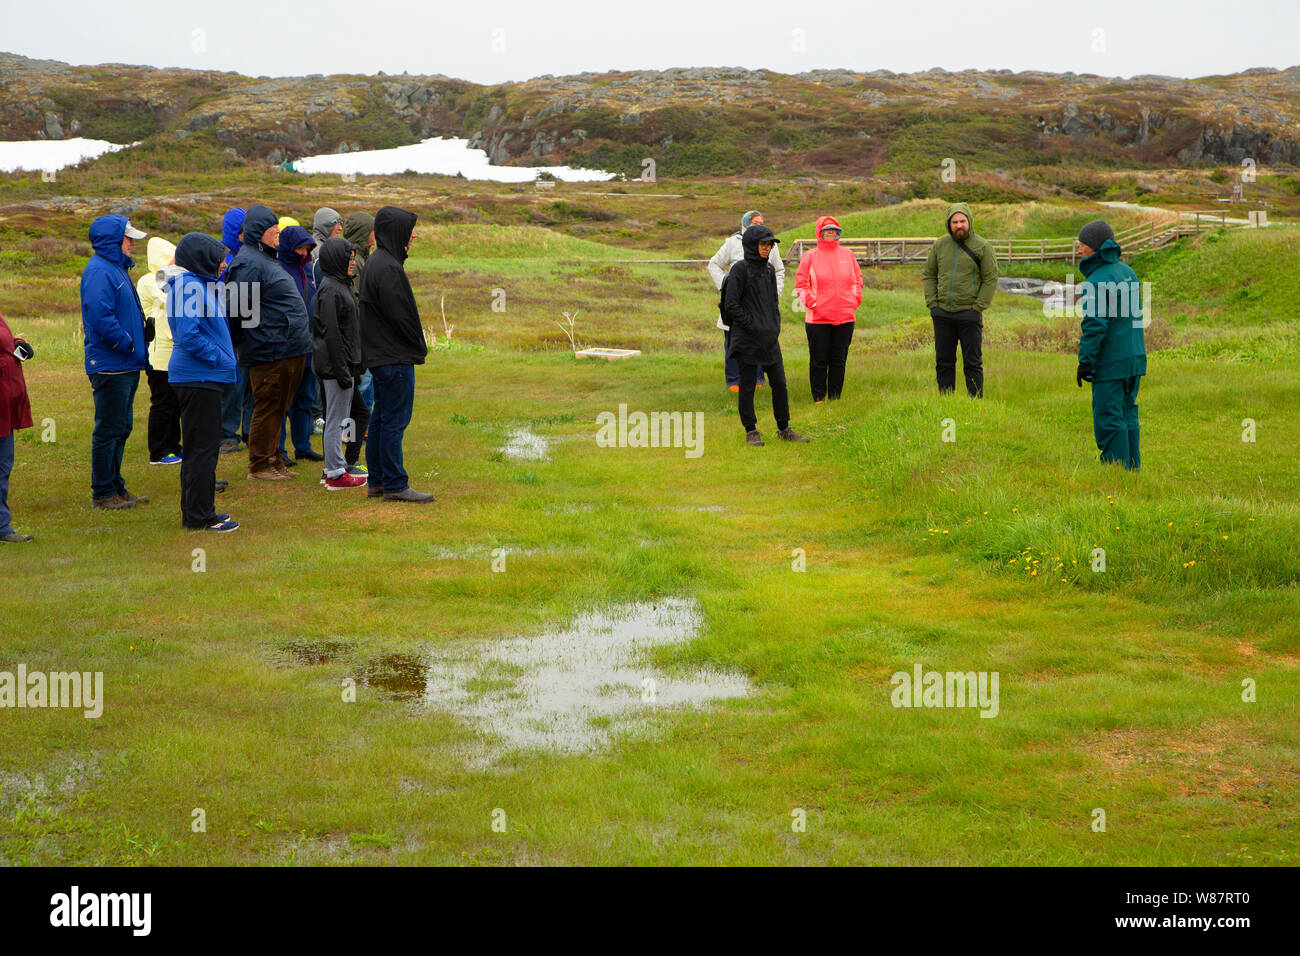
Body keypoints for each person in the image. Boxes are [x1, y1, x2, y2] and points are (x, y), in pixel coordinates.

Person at [224, 204, 311, 481]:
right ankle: (260, 465)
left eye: (277, 230)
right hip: (268, 350)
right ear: (258, 233)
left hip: (287, 348)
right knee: (267, 406)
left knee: (279, 407)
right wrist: (256, 342)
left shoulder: (266, 260)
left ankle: (274, 459)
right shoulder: (248, 263)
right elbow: (237, 312)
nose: (277, 235)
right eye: (272, 231)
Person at [166, 233, 240, 531]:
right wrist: (218, 359)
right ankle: (200, 517)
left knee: (201, 449)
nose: (224, 264)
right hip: (198, 377)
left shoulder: (199, 285)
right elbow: (188, 335)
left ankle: (198, 512)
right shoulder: (189, 286)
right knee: (202, 451)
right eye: (218, 258)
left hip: (202, 376)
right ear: (201, 258)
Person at [360, 205, 434, 502]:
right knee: (394, 420)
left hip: (383, 356)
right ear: (395, 232)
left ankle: (378, 481)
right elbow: (400, 317)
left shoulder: (380, 262)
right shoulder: (387, 267)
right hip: (393, 357)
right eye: (409, 230)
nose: (413, 235)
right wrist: (417, 346)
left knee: (381, 418)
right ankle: (394, 484)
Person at [80, 214, 151, 509]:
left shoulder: (114, 268)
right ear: (113, 240)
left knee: (120, 427)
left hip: (124, 362)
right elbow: (100, 317)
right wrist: (128, 342)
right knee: (109, 429)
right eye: (127, 238)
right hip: (112, 363)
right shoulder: (100, 271)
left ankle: (115, 487)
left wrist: (140, 334)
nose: (132, 243)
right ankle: (103, 493)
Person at [723, 224, 808, 447]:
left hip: (769, 338)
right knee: (748, 385)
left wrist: (774, 325)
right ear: (752, 245)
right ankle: (751, 430)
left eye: (769, 244)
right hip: (747, 338)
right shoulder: (739, 270)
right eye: (763, 244)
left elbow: (772, 302)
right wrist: (751, 324)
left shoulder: (769, 270)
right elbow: (731, 305)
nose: (767, 248)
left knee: (779, 383)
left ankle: (784, 428)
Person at [1075, 220, 1146, 470]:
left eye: (1082, 245)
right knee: (1128, 414)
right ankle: (1132, 471)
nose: (1079, 250)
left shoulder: (1096, 280)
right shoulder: (1129, 273)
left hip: (1111, 362)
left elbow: (1095, 325)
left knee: (1109, 417)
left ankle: (1116, 473)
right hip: (1135, 357)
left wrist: (1085, 362)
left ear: (1095, 247)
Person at [922, 202, 998, 397]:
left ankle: (975, 401)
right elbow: (929, 274)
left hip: (969, 314)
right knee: (944, 361)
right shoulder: (940, 245)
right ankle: (946, 399)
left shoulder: (982, 246)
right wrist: (933, 304)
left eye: (962, 221)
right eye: (954, 222)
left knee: (972, 362)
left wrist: (978, 308)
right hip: (942, 314)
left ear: (969, 221)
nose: (959, 225)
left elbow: (990, 278)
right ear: (949, 224)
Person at [313, 237, 368, 490]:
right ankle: (335, 472)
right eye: (348, 258)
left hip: (344, 365)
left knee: (346, 416)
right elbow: (331, 334)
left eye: (353, 257)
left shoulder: (340, 285)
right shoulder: (331, 289)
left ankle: (339, 466)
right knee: (335, 419)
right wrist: (342, 369)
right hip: (336, 367)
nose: (352, 262)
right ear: (335, 259)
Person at [709, 210, 783, 391]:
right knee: (735, 342)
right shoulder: (732, 243)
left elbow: (778, 270)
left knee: (760, 341)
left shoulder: (770, 244)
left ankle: (758, 379)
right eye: (754, 222)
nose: (759, 225)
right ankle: (734, 381)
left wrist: (774, 294)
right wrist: (725, 287)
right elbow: (714, 264)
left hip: (761, 305)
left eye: (761, 222)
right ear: (745, 224)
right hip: (737, 304)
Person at [795, 216, 863, 404]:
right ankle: (819, 398)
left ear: (838, 233)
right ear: (820, 232)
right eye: (827, 230)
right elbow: (801, 285)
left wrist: (854, 301)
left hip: (845, 318)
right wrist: (814, 304)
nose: (830, 233)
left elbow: (857, 279)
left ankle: (835, 398)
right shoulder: (809, 256)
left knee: (839, 360)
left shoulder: (848, 255)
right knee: (819, 360)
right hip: (818, 320)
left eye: (834, 230)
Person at [276, 225, 324, 465]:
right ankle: (280, 451)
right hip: (287, 347)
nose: (304, 253)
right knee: (282, 402)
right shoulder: (278, 270)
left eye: (307, 248)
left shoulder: (307, 268)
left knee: (304, 398)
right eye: (300, 248)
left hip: (308, 345)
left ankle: (303, 446)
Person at [137, 236, 184, 465]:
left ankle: (173, 446)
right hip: (157, 354)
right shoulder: (149, 280)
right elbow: (168, 298)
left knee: (175, 403)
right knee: (162, 403)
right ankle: (158, 451)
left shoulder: (171, 279)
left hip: (173, 351)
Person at [0, 310, 34, 542]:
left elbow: (5, 341)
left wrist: (18, 344)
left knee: (3, 465)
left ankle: (2, 527)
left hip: (5, 402)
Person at [218, 208, 249, 454]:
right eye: (241, 231)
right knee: (232, 385)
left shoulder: (247, 255)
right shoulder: (222, 258)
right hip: (228, 333)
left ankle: (248, 431)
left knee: (248, 384)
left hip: (247, 330)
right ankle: (227, 435)